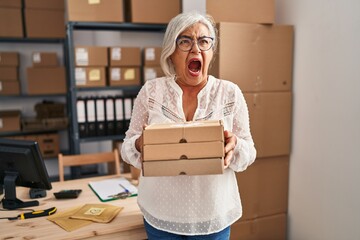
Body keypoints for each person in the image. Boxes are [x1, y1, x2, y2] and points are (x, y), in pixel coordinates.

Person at [121, 11, 256, 240]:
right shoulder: (151, 92)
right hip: (160, 215)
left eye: (204, 41)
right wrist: (140, 143)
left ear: (211, 52)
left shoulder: (229, 93)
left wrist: (235, 148)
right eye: (185, 41)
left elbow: (249, 153)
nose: (196, 49)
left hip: (212, 218)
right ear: (171, 53)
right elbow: (126, 148)